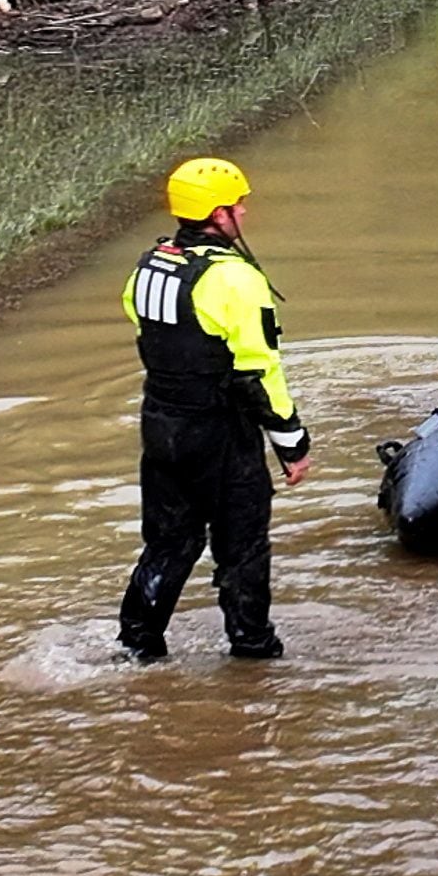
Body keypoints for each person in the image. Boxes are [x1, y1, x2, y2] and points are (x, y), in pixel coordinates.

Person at [120, 155, 308, 663]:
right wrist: (292, 443)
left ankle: (138, 645)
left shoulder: (149, 265)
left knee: (168, 543)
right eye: (237, 206)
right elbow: (259, 370)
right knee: (242, 546)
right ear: (219, 215)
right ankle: (253, 651)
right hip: (220, 434)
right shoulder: (235, 279)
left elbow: (145, 328)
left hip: (161, 426)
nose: (244, 213)